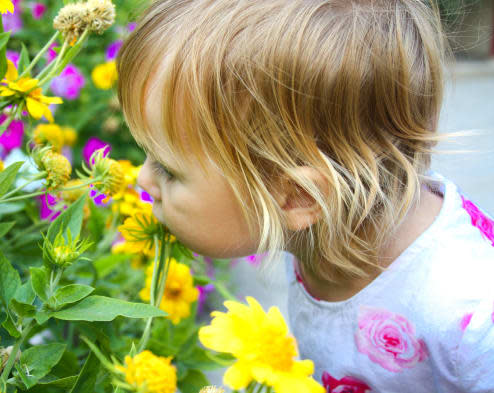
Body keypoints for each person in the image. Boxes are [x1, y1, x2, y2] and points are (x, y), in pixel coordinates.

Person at [115, 0, 494, 391]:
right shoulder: (323, 230)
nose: (143, 179)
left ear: (298, 197)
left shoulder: (466, 314)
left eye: (169, 170)